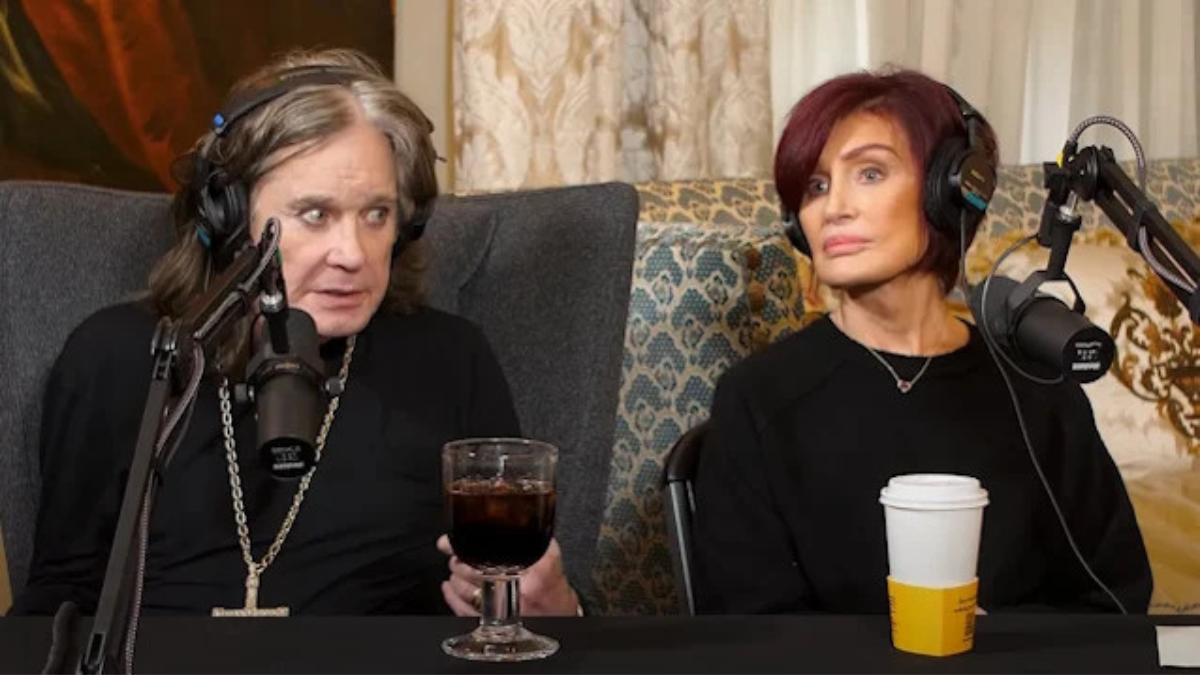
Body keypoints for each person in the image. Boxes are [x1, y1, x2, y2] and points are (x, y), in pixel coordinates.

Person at [13, 48, 580, 617]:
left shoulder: (450, 359)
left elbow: (521, 599)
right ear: (229, 217)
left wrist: (558, 609)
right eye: (315, 214)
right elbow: (58, 602)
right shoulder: (122, 357)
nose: (353, 253)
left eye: (377, 214)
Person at [691, 68, 1152, 614]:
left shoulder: (1041, 391)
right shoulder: (756, 399)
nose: (833, 208)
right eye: (815, 187)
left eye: (869, 173)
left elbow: (1115, 600)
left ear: (948, 192)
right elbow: (750, 634)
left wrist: (993, 645)